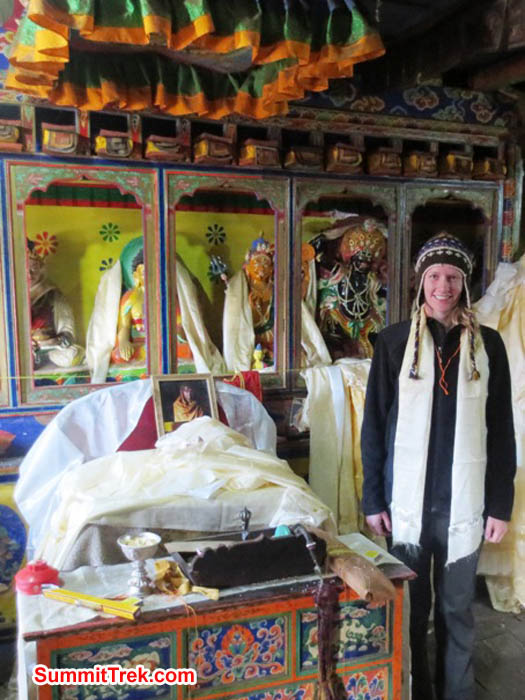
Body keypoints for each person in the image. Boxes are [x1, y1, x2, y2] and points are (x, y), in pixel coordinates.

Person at [361, 232, 516, 700]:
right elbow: (373, 428)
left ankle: (458, 693)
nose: (442, 286)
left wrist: (500, 505)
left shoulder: (487, 346)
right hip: (406, 503)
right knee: (411, 608)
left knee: (456, 610)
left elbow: (502, 431)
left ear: (465, 284)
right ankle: (415, 690)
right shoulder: (392, 345)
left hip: (463, 505)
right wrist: (373, 498)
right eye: (434, 276)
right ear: (420, 283)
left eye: (452, 277)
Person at [28, 240, 84, 369]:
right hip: (22, 350)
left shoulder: (51, 293)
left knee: (75, 354)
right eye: (25, 269)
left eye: (34, 269)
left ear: (40, 268)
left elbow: (67, 332)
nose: (30, 274)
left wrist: (55, 341)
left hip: (49, 349)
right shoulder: (10, 296)